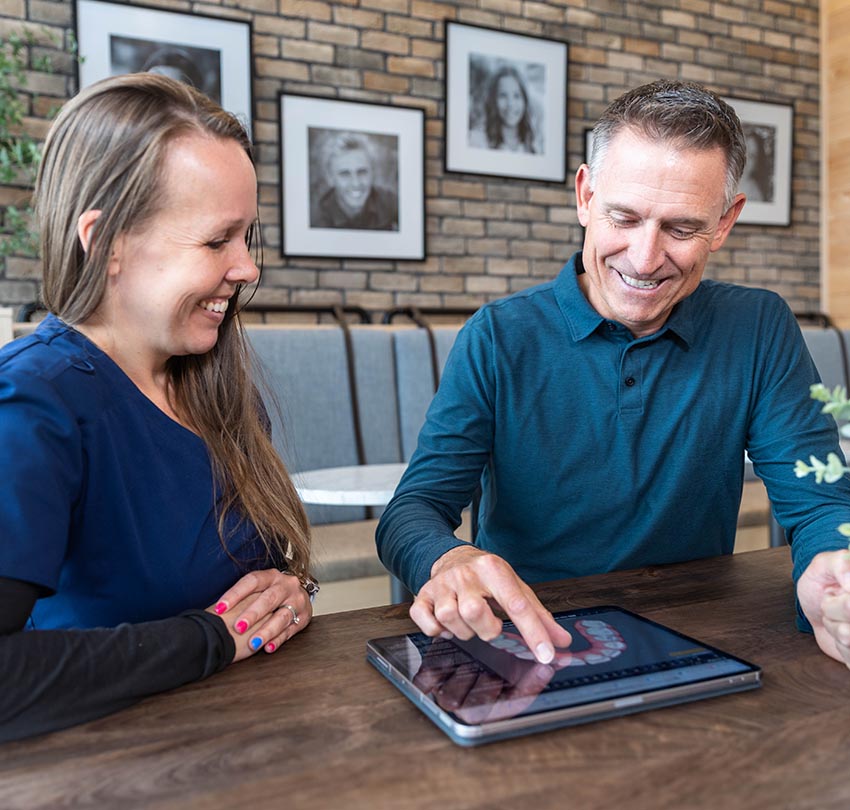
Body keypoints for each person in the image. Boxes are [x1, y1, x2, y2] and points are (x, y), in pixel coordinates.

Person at [377, 80, 850, 673]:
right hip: (528, 640)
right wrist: (449, 559)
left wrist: (832, 575)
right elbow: (413, 509)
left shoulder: (758, 326)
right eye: (623, 217)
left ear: (725, 222)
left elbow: (818, 503)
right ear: (585, 196)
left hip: (696, 640)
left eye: (681, 229)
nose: (645, 258)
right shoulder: (498, 336)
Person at [0, 73, 318, 742]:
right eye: (217, 241)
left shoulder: (218, 387)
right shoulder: (34, 404)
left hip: (256, 741)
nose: (248, 268)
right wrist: (212, 639)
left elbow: (246, 589)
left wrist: (285, 596)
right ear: (106, 242)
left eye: (247, 237)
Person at [310, 132, 398, 231]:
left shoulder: (391, 202)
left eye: (362, 172)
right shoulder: (315, 219)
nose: (356, 183)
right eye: (345, 174)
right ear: (330, 178)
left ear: (373, 172)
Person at [469, 65, 538, 154]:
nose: (510, 104)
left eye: (516, 96)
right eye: (503, 95)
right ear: (493, 100)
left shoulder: (534, 145)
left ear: (525, 100)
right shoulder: (477, 141)